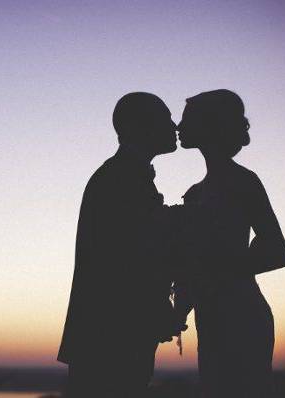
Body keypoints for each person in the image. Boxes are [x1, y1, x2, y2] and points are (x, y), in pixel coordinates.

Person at [57, 92, 184, 397]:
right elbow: (126, 259)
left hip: (114, 335)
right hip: (111, 337)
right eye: (166, 118)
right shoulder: (119, 178)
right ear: (141, 126)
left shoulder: (124, 175)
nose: (175, 126)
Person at [175, 89, 285, 398]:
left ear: (209, 126)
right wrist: (181, 309)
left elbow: (278, 252)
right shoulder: (195, 193)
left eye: (186, 119)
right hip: (211, 318)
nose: (178, 126)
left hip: (243, 316)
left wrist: (215, 271)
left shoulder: (243, 182)